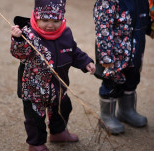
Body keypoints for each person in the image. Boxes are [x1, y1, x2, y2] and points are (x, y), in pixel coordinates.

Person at [10, 0, 96, 150]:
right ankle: (36, 144)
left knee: (64, 108)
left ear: (62, 18)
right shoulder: (28, 35)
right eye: (45, 20)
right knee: (35, 118)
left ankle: (58, 132)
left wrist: (85, 62)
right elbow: (19, 54)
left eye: (55, 20)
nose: (50, 25)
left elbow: (73, 51)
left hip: (58, 87)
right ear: (36, 17)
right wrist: (17, 39)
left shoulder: (65, 33)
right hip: (33, 89)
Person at [93, 0, 152, 135]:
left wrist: (150, 29)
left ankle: (126, 111)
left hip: (135, 51)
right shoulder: (107, 2)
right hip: (115, 56)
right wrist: (106, 56)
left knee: (132, 80)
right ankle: (107, 116)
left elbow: (144, 19)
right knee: (112, 84)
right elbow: (103, 29)